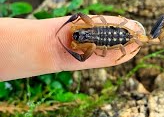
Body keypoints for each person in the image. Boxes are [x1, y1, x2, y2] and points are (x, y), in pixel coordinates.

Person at [0, 16, 141, 82]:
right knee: (93, 42)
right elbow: (98, 20)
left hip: (118, 37)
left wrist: (98, 52)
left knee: (93, 45)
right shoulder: (88, 30)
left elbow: (101, 51)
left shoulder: (90, 42)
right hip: (108, 34)